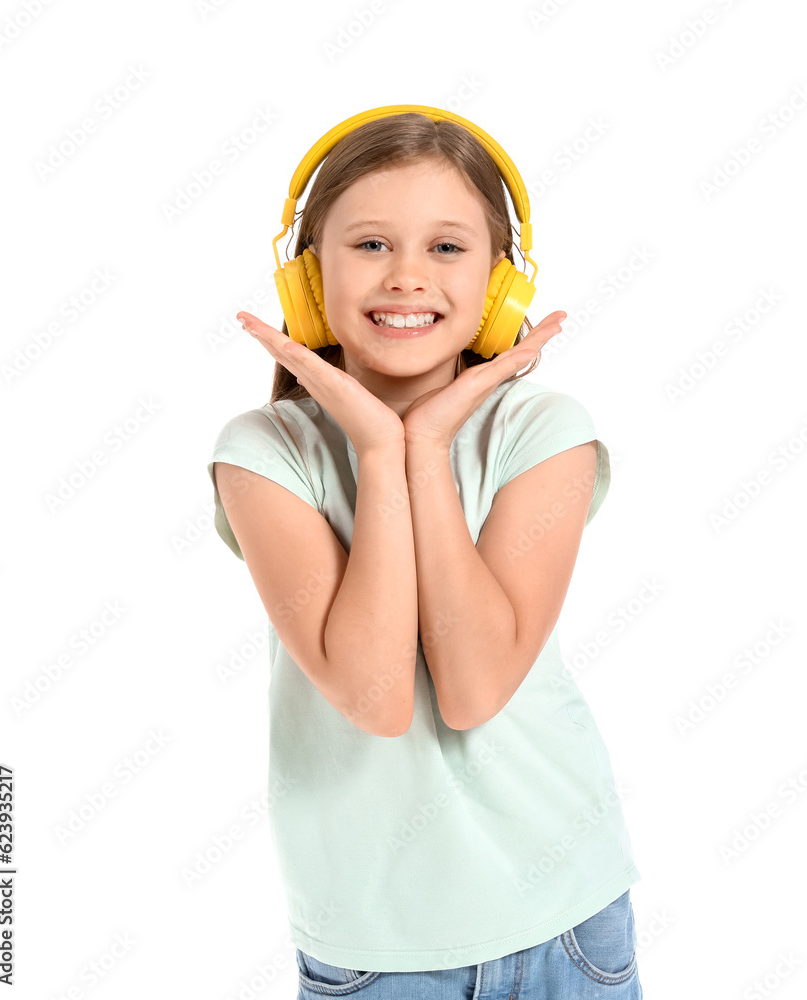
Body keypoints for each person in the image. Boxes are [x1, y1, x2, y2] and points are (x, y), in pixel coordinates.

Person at [207, 109, 643, 998]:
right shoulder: (264, 454)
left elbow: (476, 687)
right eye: (369, 243)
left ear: (497, 289)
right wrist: (376, 449)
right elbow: (373, 697)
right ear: (307, 281)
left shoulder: (545, 432)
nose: (407, 275)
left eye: (448, 248)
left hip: (569, 917)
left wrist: (427, 449)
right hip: (379, 948)